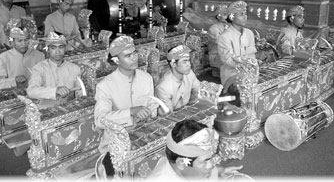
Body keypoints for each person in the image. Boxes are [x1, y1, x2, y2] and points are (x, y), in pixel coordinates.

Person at [94, 35, 160, 177]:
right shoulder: (105, 86)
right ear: (116, 60)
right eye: (128, 55)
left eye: (135, 53)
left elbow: (152, 106)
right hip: (115, 146)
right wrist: (130, 112)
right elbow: (99, 120)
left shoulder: (146, 78)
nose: (134, 58)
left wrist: (151, 113)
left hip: (144, 136)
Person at [150, 119, 243, 180]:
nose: (211, 165)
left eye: (210, 158)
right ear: (182, 163)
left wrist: (218, 172)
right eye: (205, 161)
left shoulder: (181, 164)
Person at [217, 1, 257, 106]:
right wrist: (248, 63)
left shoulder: (249, 33)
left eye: (245, 14)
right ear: (232, 16)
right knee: (243, 94)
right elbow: (229, 61)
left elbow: (252, 55)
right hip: (232, 76)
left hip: (250, 74)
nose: (245, 17)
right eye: (241, 14)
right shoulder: (224, 37)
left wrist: (255, 62)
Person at [26, 32, 83, 102]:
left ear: (65, 48)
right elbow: (31, 91)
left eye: (61, 47)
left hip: (69, 108)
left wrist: (80, 94)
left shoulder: (74, 68)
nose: (57, 51)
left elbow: (80, 91)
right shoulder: (39, 68)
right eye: (53, 48)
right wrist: (55, 90)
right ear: (48, 50)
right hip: (47, 109)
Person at [155, 45, 200, 113]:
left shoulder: (189, 74)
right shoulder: (163, 88)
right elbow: (168, 116)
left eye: (189, 61)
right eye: (184, 62)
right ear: (173, 64)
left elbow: (198, 91)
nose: (189, 65)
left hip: (186, 112)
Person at [208, 4, 228, 69]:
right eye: (225, 15)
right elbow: (222, 42)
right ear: (219, 16)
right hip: (216, 56)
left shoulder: (230, 27)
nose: (227, 17)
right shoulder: (213, 29)